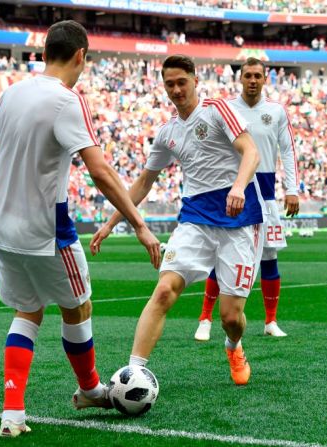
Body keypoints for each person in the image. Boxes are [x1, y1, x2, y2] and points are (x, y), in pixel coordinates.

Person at [0, 20, 161, 438]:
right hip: (47, 228)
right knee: (78, 307)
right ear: (81, 56)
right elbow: (101, 171)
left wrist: (5, 189)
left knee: (28, 311)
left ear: (43, 55)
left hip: (3, 225)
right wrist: (141, 226)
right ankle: (91, 388)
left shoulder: (13, 92)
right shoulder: (66, 101)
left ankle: (13, 413)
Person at [91, 55, 264, 386]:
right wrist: (112, 222)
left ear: (195, 80)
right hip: (195, 218)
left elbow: (250, 151)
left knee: (230, 317)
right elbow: (143, 183)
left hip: (238, 218)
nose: (176, 89)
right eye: (169, 84)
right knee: (164, 291)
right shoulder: (167, 133)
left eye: (182, 82)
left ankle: (234, 344)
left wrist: (239, 186)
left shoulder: (216, 111)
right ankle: (134, 373)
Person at [194, 57, 299, 341]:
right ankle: (204, 318)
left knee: (269, 256)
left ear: (266, 79)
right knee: (222, 256)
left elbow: (288, 150)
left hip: (265, 193)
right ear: (240, 79)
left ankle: (270, 321)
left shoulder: (277, 111)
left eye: (257, 76)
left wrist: (293, 188)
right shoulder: (226, 109)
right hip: (234, 192)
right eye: (248, 75)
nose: (252, 80)